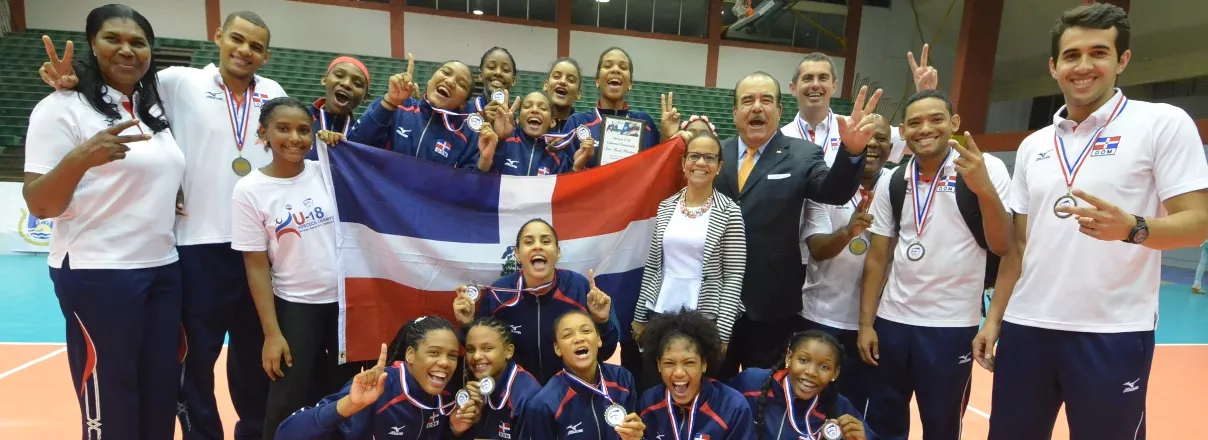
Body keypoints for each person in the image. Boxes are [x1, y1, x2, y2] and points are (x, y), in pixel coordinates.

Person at [40, 10, 288, 439]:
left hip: (257, 249)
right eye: (238, 39)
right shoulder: (177, 81)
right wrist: (75, 81)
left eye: (256, 46)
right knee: (193, 365)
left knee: (254, 359)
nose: (245, 51)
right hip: (195, 246)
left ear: (266, 56)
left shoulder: (274, 92)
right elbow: (119, 84)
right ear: (218, 37)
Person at [972, 4, 1208, 439]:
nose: (1083, 66)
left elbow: (1198, 222)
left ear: (1122, 60)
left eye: (1098, 53)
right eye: (1071, 55)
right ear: (1053, 66)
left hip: (1111, 331)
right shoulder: (1034, 146)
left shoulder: (1161, 124)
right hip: (1028, 328)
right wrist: (995, 319)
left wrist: (1135, 228)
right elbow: (1021, 246)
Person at [23, 5, 184, 439]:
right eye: (114, 39)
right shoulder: (61, 108)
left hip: (161, 268)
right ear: (93, 44)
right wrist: (81, 158)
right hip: (99, 273)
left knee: (160, 392)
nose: (127, 50)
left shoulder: (151, 110)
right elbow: (39, 204)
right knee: (110, 397)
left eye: (138, 42)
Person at [857, 89, 1011, 440]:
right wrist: (867, 323)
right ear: (903, 131)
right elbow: (878, 257)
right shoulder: (894, 180)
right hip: (892, 323)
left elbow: (1003, 244)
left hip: (951, 325)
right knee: (881, 421)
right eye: (915, 122)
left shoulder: (987, 168)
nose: (925, 128)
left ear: (954, 123)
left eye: (936, 119)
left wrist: (984, 188)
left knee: (941, 426)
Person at [714, 71, 882, 381]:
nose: (757, 107)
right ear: (734, 111)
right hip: (715, 300)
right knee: (712, 392)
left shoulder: (802, 154)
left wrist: (852, 152)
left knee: (763, 394)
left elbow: (833, 191)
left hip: (771, 306)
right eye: (747, 100)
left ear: (779, 111)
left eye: (766, 100)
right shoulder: (715, 154)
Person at [230, 97, 365, 440]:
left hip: (344, 308)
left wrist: (339, 146)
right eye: (283, 129)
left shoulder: (329, 171)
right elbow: (256, 265)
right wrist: (272, 334)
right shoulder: (249, 190)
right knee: (286, 401)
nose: (295, 138)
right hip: (295, 307)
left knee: (343, 397)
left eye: (304, 130)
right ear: (264, 134)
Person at [632, 132, 746, 391]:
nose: (701, 163)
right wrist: (640, 315)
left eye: (709, 157)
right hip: (661, 312)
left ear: (719, 166)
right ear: (683, 163)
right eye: (694, 156)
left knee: (696, 389)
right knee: (655, 386)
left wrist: (724, 332)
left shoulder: (730, 211)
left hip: (706, 318)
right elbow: (653, 265)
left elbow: (734, 276)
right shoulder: (666, 206)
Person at [797, 113, 894, 413]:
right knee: (810, 402)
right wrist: (848, 232)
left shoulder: (897, 185)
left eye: (881, 138)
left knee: (855, 408)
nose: (873, 144)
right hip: (818, 314)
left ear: (892, 148)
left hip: (874, 323)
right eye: (867, 136)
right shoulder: (826, 184)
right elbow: (817, 249)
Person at [452, 219, 622, 384]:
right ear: (517, 254)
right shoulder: (499, 293)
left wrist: (601, 321)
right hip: (517, 399)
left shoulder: (578, 287)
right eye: (529, 242)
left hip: (569, 394)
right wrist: (467, 325)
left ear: (558, 252)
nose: (537, 246)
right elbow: (479, 354)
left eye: (546, 241)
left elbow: (604, 352)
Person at [275, 316, 482, 439]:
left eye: (452, 356)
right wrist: (348, 405)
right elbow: (285, 434)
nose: (445, 362)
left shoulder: (445, 396)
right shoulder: (380, 387)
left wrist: (453, 430)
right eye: (434, 353)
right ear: (410, 354)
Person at [520, 310, 646, 440]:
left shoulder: (622, 378)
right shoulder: (544, 404)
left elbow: (633, 430)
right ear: (557, 349)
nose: (579, 339)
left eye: (586, 331)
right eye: (567, 335)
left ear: (598, 339)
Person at [346, 54, 486, 170]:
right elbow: (354, 144)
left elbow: (469, 190)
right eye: (445, 72)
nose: (450, 81)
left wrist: (484, 162)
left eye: (461, 84)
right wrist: (389, 102)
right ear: (430, 80)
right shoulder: (398, 106)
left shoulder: (467, 136)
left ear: (463, 103)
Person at [729, 330, 875, 440]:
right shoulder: (749, 383)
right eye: (803, 360)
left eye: (824, 367)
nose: (811, 372)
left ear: (835, 373)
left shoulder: (841, 409)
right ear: (789, 357)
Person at [636, 310, 754, 440]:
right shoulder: (648, 403)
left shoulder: (732, 408)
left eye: (689, 363)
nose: (679, 373)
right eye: (669, 363)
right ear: (658, 365)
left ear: (704, 364)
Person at [563, 47, 666, 169]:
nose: (615, 70)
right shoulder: (577, 123)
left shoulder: (646, 123)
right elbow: (560, 178)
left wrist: (667, 136)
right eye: (607, 66)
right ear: (597, 81)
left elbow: (659, 168)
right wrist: (577, 168)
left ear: (630, 84)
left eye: (623, 68)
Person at [460, 316, 543, 439]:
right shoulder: (472, 386)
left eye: (487, 348)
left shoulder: (527, 397)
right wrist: (474, 422)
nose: (476, 356)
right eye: (470, 349)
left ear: (508, 351)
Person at [478, 91, 594, 175]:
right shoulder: (503, 143)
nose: (534, 110)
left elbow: (564, 198)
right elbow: (480, 185)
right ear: (518, 118)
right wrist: (497, 144)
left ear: (552, 122)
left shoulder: (559, 158)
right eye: (527, 106)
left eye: (543, 108)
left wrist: (576, 168)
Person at [309, 56, 370, 154]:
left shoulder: (362, 135)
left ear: (365, 97)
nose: (346, 84)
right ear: (324, 79)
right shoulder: (301, 120)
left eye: (357, 84)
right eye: (339, 75)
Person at [465, 47, 516, 114]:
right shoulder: (464, 111)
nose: (498, 72)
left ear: (513, 81)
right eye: (491, 67)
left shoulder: (515, 120)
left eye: (505, 70)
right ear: (481, 75)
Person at [542, 57, 582, 132]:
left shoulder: (584, 128)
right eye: (556, 76)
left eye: (571, 80)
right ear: (546, 85)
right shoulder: (530, 124)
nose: (562, 81)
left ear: (578, 93)